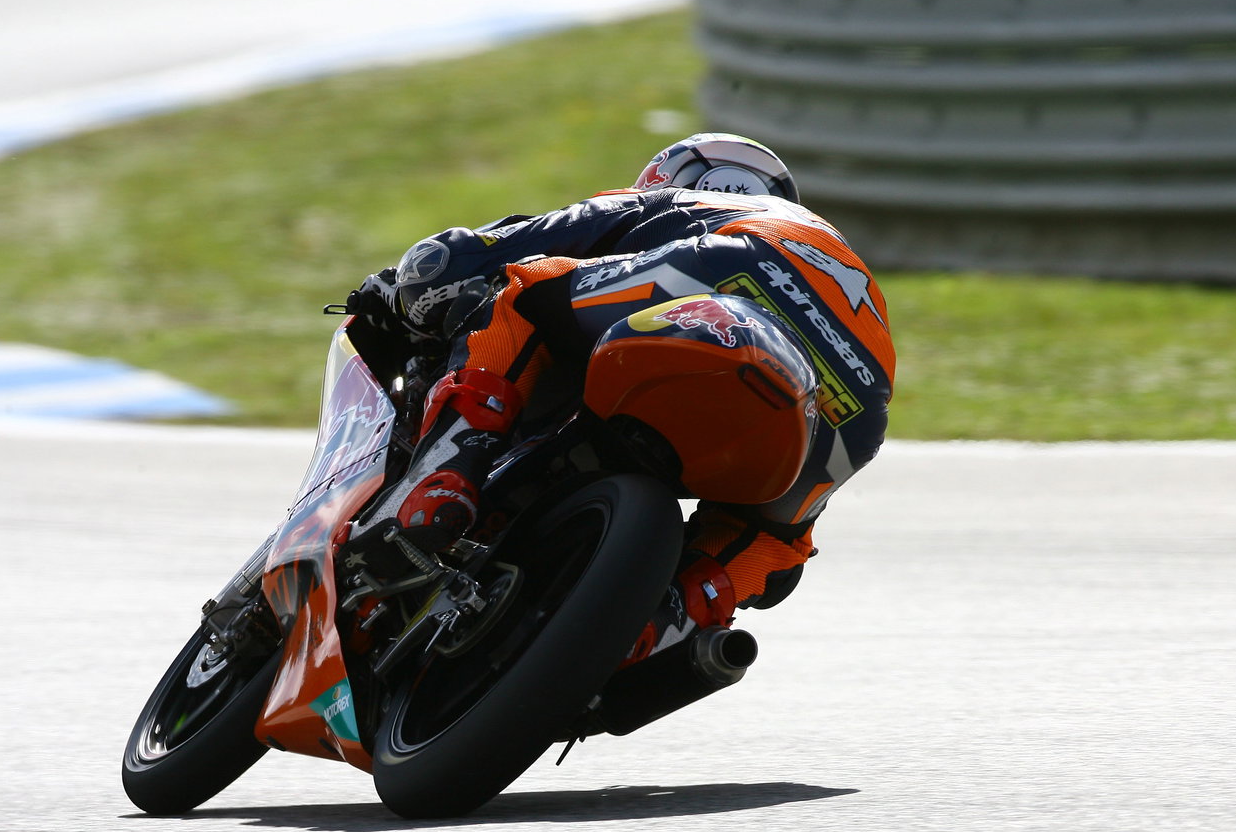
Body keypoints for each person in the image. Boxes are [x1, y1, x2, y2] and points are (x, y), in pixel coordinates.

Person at [344, 133, 895, 722]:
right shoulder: (829, 255)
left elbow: (465, 258)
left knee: (522, 291)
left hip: (730, 275)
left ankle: (440, 486)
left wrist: (401, 295)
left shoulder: (689, 208)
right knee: (772, 539)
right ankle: (652, 634)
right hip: (858, 397)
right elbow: (779, 581)